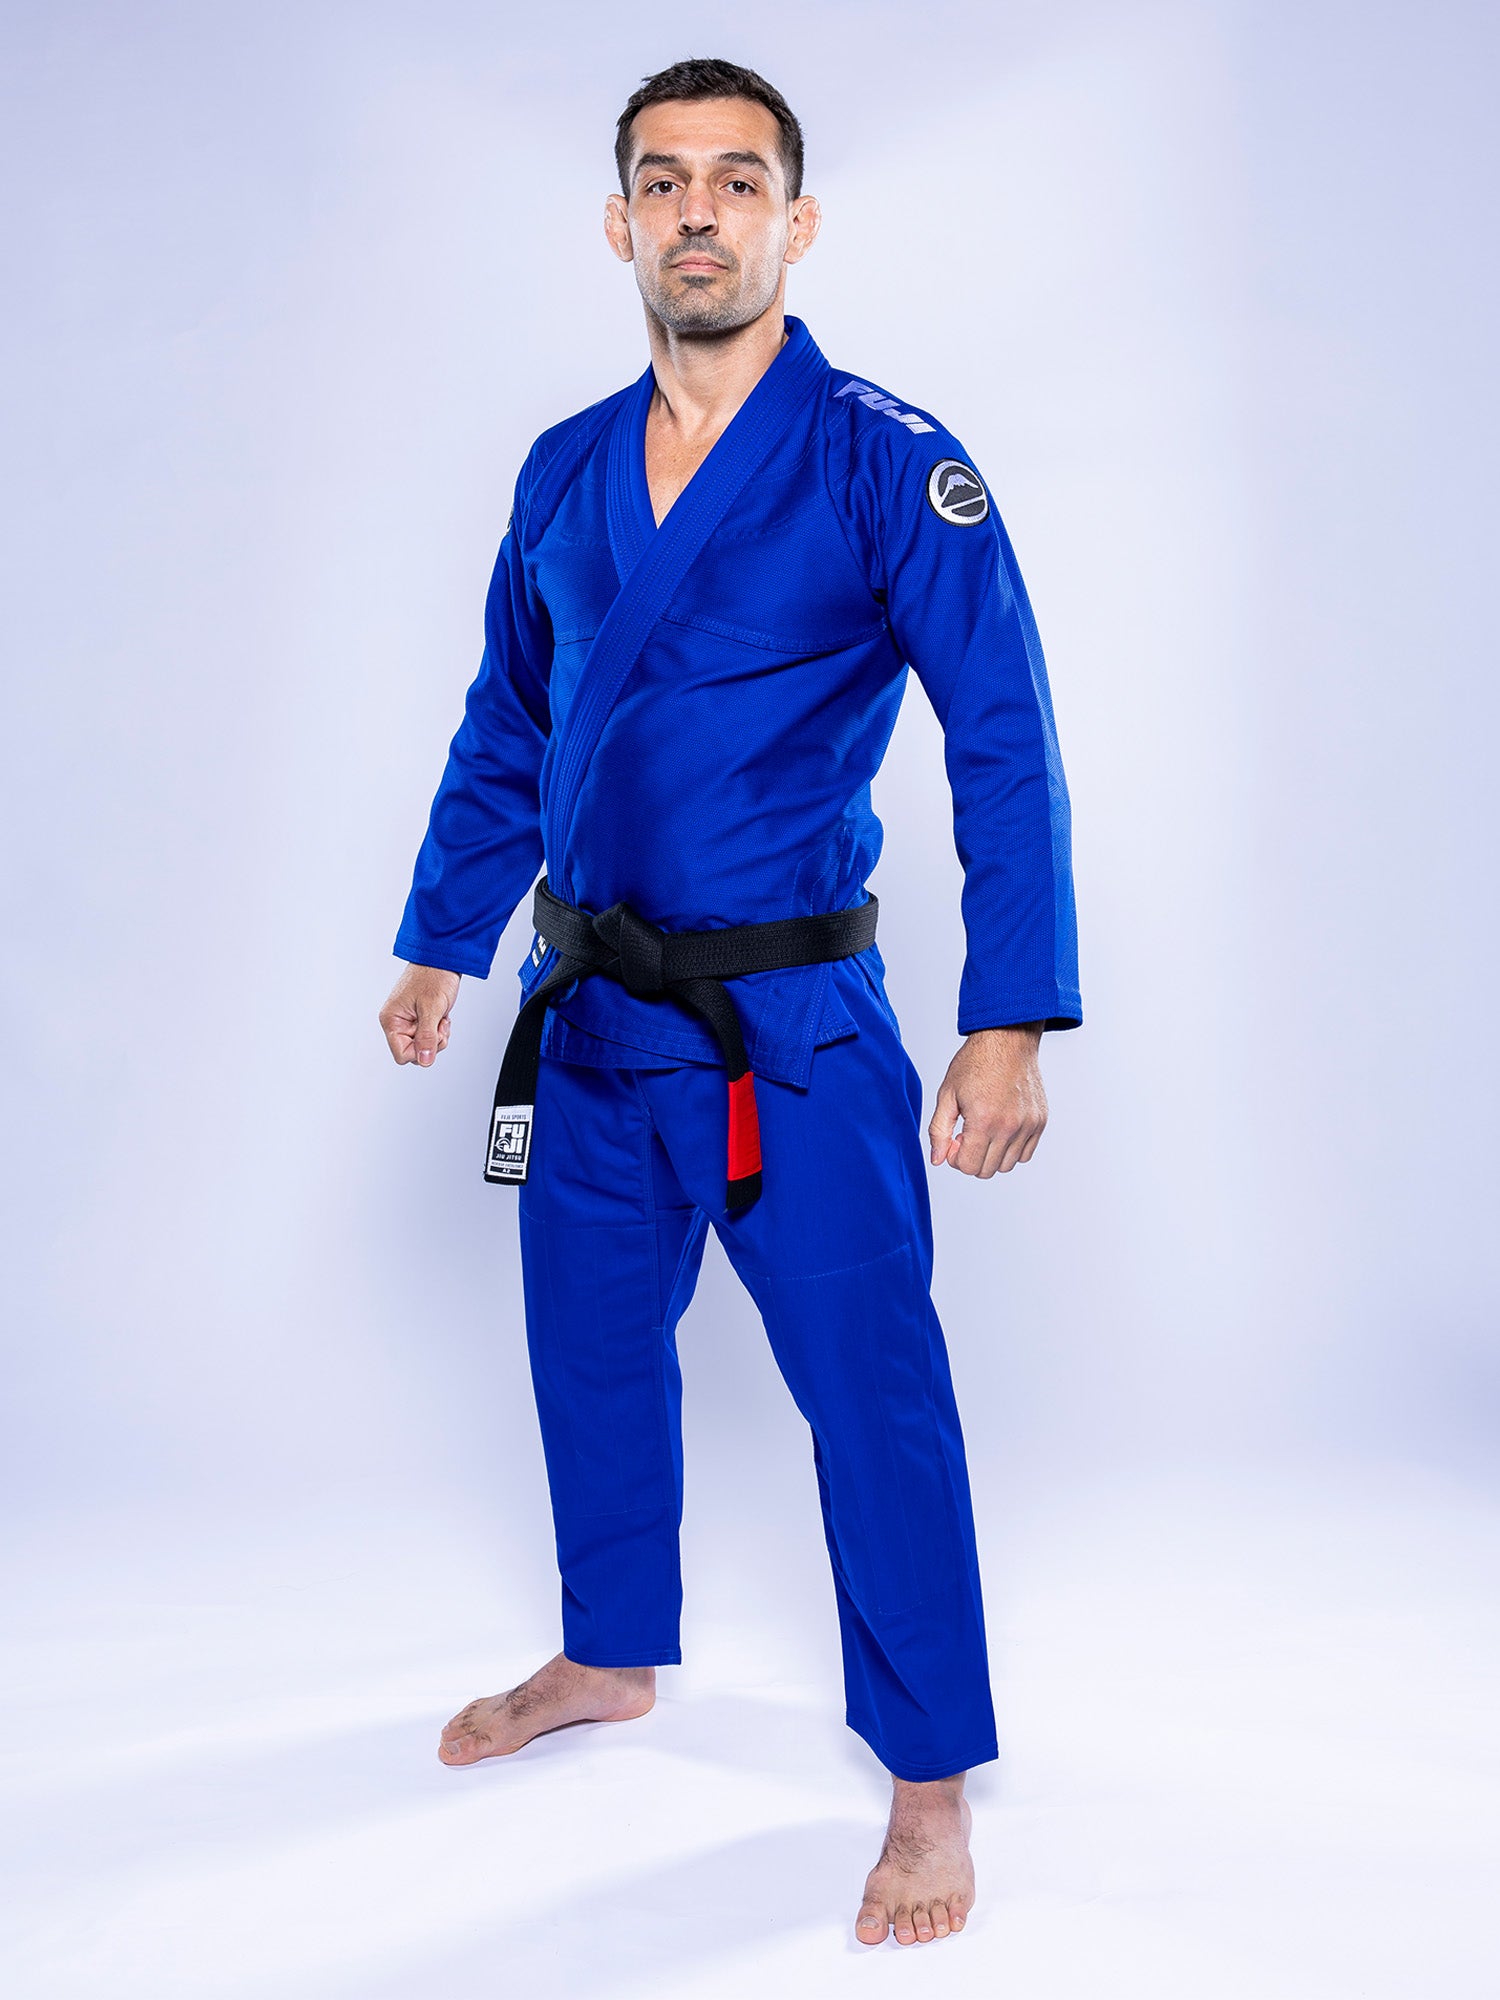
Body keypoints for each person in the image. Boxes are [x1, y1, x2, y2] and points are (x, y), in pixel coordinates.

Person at [379, 56, 1081, 1948]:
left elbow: (1001, 739)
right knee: (589, 1354)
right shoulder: (561, 466)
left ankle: (928, 1784)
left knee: (876, 1400)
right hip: (590, 1014)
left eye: (738, 180)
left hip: (798, 1038)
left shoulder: (881, 456)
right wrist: (443, 937)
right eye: (664, 182)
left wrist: (1009, 1012)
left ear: (796, 220)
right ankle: (610, 1655)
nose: (700, 211)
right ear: (619, 222)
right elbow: (512, 719)